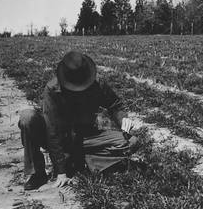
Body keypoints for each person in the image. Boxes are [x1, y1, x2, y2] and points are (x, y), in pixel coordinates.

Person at [18, 50, 135, 191]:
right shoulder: (52, 89)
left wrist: (123, 119)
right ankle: (38, 174)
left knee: (131, 141)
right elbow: (52, 130)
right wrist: (61, 171)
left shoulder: (97, 85)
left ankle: (83, 162)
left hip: (85, 137)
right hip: (58, 137)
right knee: (27, 118)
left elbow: (115, 104)